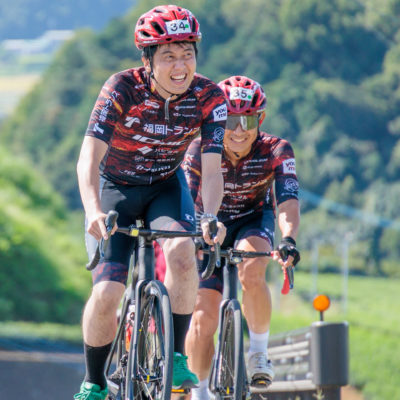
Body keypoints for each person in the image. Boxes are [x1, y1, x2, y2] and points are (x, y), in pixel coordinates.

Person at [74, 5, 227, 400]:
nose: (180, 66)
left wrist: (210, 216)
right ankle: (94, 381)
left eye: (187, 54)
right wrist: (93, 210)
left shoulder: (210, 97)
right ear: (148, 61)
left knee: (182, 253)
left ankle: (175, 356)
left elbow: (212, 171)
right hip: (116, 188)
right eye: (168, 56)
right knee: (106, 294)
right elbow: (89, 157)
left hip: (165, 187)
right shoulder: (121, 88)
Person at [183, 75, 301, 400]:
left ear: (260, 119)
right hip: (207, 225)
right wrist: (194, 233)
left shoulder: (276, 149)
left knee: (252, 267)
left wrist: (288, 238)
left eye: (247, 120)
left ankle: (259, 353)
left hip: (252, 220)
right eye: (230, 120)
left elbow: (288, 200)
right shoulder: (199, 148)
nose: (238, 130)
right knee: (203, 318)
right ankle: (200, 393)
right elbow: (187, 197)